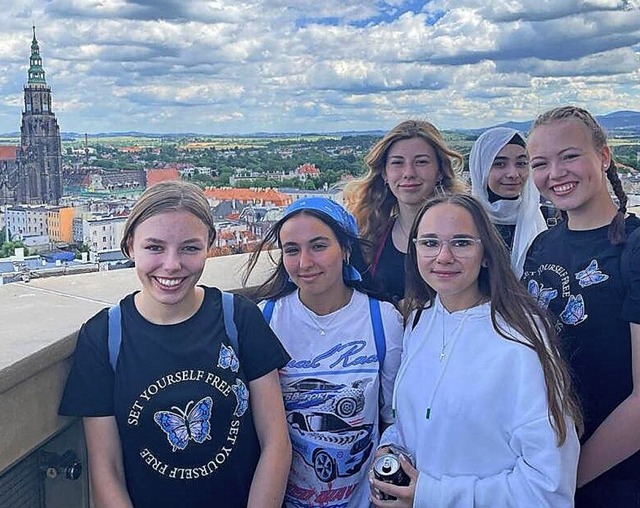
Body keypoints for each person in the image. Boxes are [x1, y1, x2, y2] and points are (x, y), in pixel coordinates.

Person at [59, 181, 291, 508]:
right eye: (154, 247)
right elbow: (106, 468)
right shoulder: (104, 336)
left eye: (189, 248)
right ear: (129, 247)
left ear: (209, 245)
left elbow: (275, 441)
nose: (171, 265)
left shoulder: (239, 319)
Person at [370, 193, 581, 507]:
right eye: (429, 242)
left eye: (461, 243)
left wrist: (432, 495)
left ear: (486, 253)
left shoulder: (521, 340)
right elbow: (419, 423)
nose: (443, 256)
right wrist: (392, 448)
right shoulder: (420, 320)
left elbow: (548, 488)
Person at [244, 197, 403, 508]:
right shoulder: (265, 318)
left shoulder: (383, 320)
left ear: (345, 249)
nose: (304, 262)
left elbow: (394, 418)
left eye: (318, 246)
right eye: (292, 250)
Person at [523, 106, 640, 507]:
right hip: (546, 465)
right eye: (541, 163)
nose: (555, 173)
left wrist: (569, 483)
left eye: (570, 155)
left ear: (604, 157)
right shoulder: (542, 247)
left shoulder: (634, 247)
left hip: (614, 479)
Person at [346, 119, 466, 304]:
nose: (408, 172)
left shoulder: (466, 235)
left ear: (440, 171)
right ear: (385, 174)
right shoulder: (369, 235)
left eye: (421, 162)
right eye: (397, 163)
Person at [469, 127, 546, 278]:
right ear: (481, 169)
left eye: (521, 163)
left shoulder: (541, 217)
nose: (513, 174)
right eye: (500, 164)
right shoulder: (467, 220)